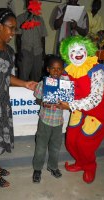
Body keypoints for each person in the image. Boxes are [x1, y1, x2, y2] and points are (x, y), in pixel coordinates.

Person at [0, 8, 37, 188]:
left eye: (15, 29)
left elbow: (6, 76)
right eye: (10, 28)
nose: (13, 33)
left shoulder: (8, 51)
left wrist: (25, 84)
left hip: (3, 103)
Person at [59, 35, 104, 184]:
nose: (78, 53)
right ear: (67, 54)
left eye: (81, 49)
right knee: (70, 140)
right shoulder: (67, 70)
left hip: (98, 111)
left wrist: (70, 105)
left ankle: (90, 166)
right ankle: (80, 162)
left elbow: (95, 99)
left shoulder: (96, 71)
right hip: (79, 108)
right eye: (73, 50)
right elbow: (65, 92)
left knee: (84, 143)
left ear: (87, 50)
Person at [32, 55, 66, 183]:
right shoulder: (42, 83)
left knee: (55, 147)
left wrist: (65, 103)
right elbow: (37, 98)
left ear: (62, 70)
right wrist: (42, 103)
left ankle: (52, 167)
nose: (56, 72)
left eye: (59, 69)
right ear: (48, 69)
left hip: (58, 122)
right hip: (45, 121)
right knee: (40, 147)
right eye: (53, 69)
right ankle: (37, 169)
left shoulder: (65, 84)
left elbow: (69, 101)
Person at [16, 0, 47, 82]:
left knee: (36, 76)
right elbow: (18, 37)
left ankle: (34, 94)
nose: (30, 4)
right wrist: (19, 52)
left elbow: (43, 37)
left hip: (38, 51)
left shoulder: (40, 19)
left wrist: (43, 52)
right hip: (25, 50)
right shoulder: (20, 18)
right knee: (23, 76)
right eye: (28, 2)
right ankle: (22, 94)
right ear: (26, 4)